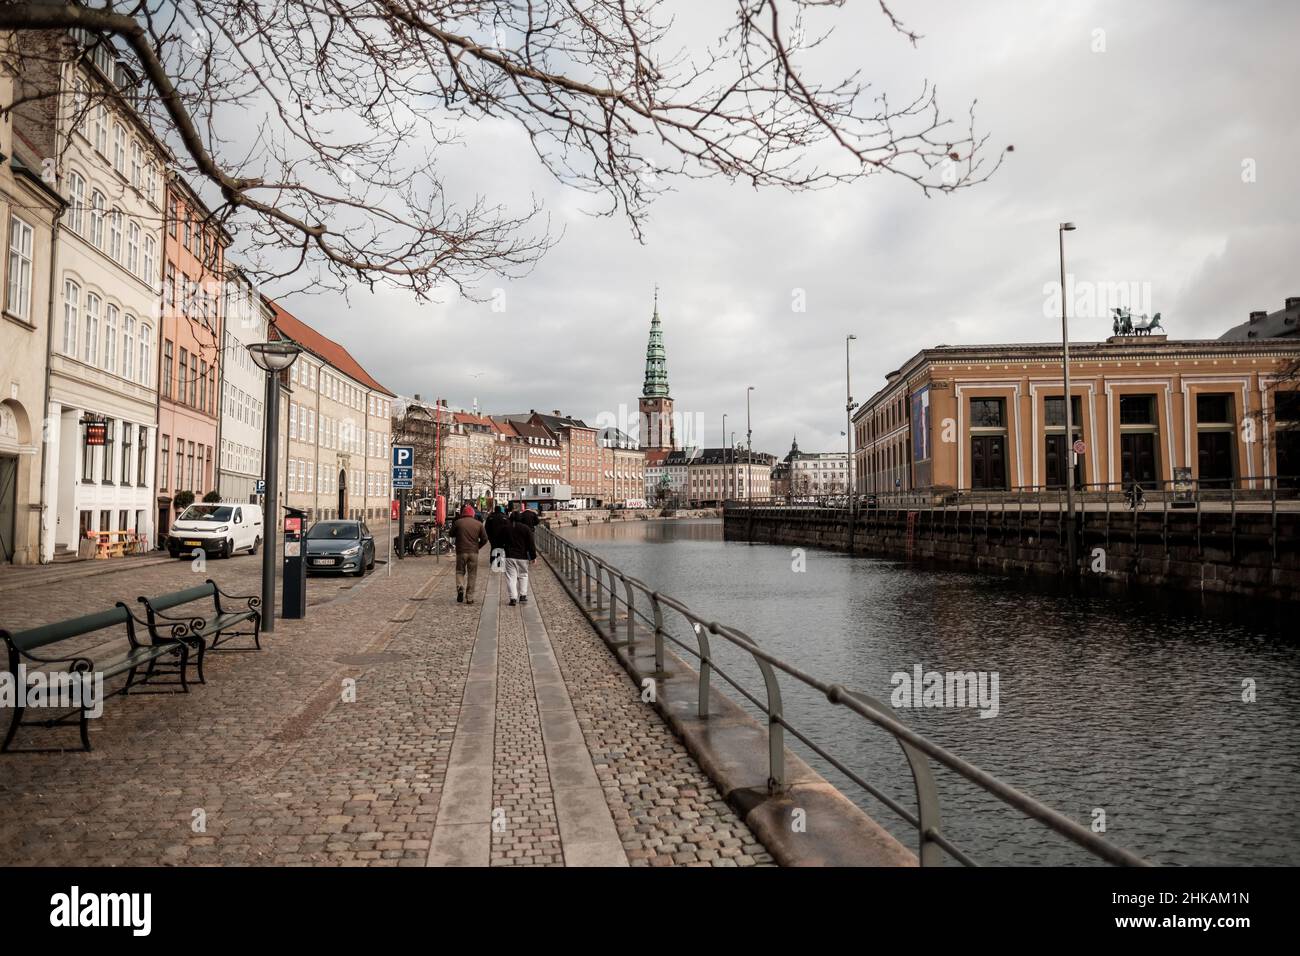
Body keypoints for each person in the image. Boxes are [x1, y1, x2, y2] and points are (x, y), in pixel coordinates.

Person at [451, 503, 489, 604]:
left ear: (463, 513)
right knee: (472, 574)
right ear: (472, 514)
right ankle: (469, 597)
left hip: (461, 552)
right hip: (473, 552)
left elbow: (451, 533)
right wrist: (478, 546)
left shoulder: (458, 522)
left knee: (460, 571)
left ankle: (460, 587)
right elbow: (485, 539)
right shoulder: (479, 524)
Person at [504, 514, 537, 607]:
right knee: (523, 575)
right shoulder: (526, 528)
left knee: (511, 578)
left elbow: (500, 541)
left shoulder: (506, 528)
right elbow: (531, 543)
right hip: (523, 556)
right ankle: (523, 595)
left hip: (509, 556)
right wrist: (533, 556)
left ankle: (513, 598)